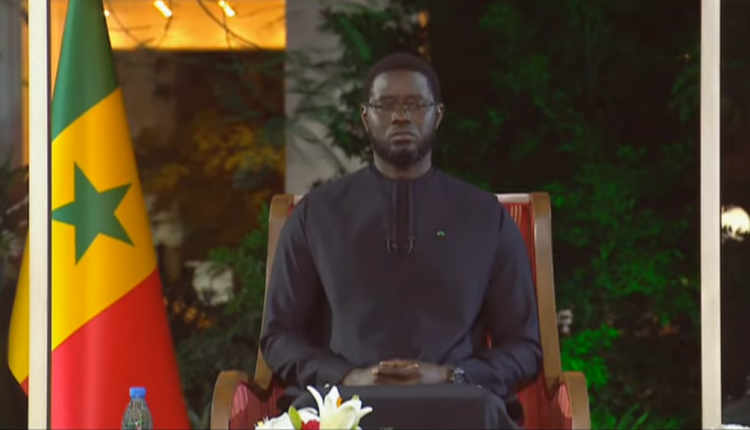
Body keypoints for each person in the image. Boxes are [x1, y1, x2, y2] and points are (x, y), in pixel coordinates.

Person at [260, 52, 542, 429]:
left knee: (482, 413)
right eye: (386, 104)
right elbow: (279, 336)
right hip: (343, 403)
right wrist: (348, 376)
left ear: (437, 115)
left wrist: (450, 376)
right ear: (365, 117)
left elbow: (525, 346)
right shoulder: (317, 214)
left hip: (459, 405)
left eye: (415, 104)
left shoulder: (486, 216)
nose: (400, 116)